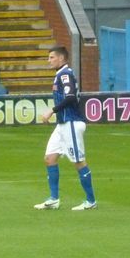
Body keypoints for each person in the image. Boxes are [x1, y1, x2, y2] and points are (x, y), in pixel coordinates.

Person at [34, 46, 96, 211]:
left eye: (52, 57)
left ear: (62, 59)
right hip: (62, 124)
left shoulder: (65, 74)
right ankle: (54, 199)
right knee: (49, 158)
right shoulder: (60, 75)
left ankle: (91, 201)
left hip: (71, 123)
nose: (49, 60)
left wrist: (51, 111)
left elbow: (70, 97)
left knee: (78, 161)